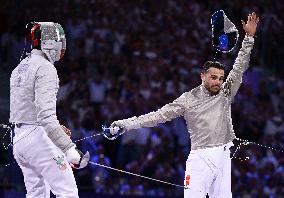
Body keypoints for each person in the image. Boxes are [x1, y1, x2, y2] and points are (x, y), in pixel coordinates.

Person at [106, 12, 259, 197]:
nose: (217, 82)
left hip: (224, 157)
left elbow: (239, 66)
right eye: (213, 77)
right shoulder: (188, 99)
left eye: (220, 78)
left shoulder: (226, 92)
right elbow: (157, 116)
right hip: (200, 159)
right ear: (202, 76)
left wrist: (249, 37)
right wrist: (126, 124)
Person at [10, 22, 86, 198]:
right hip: (38, 140)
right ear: (50, 43)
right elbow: (44, 116)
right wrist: (68, 148)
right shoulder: (46, 68)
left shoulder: (21, 67)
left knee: (37, 194)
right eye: (61, 42)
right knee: (68, 193)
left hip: (19, 140)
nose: (63, 47)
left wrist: (56, 127)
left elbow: (29, 108)